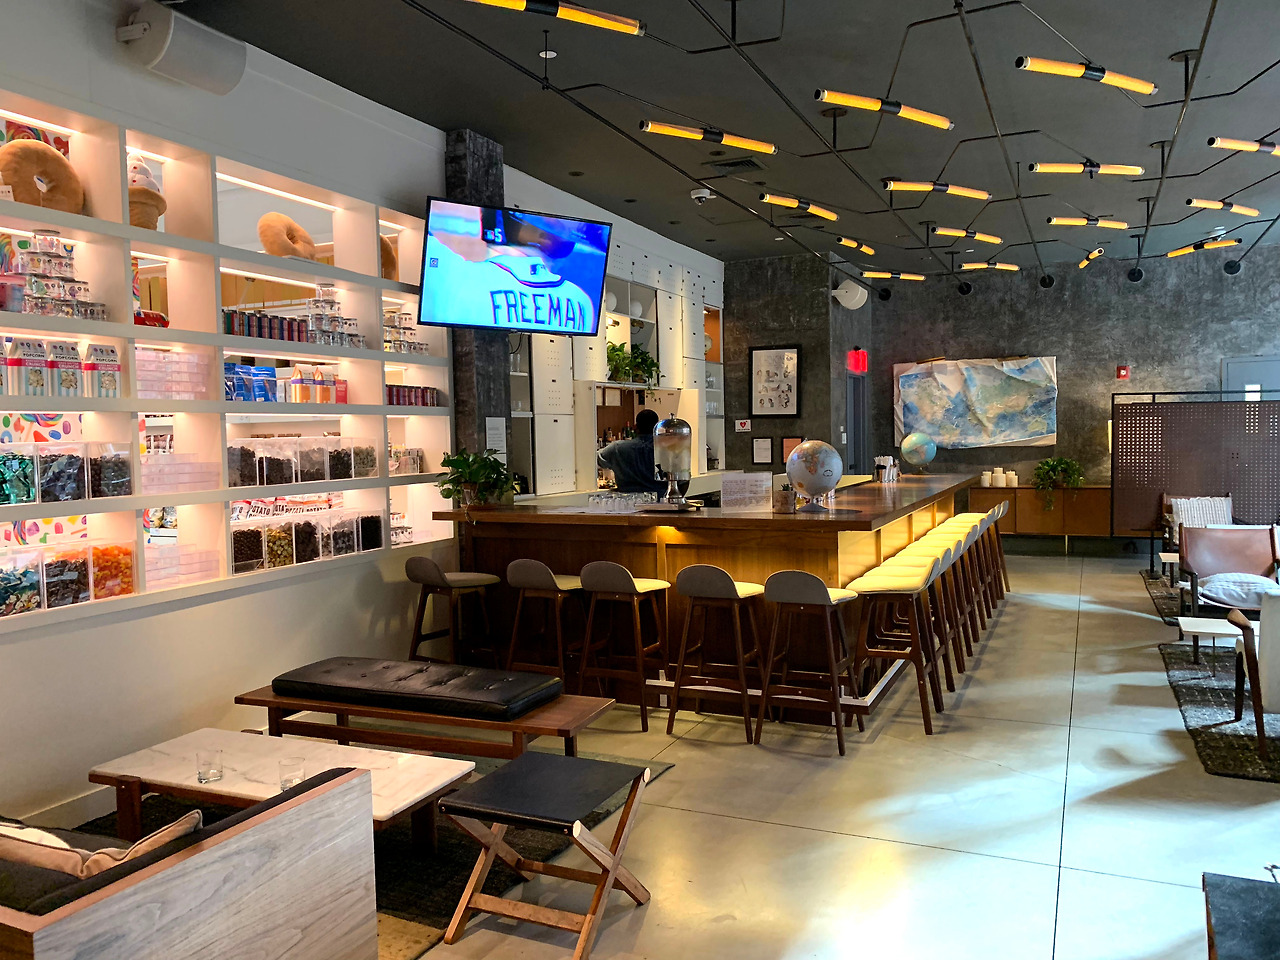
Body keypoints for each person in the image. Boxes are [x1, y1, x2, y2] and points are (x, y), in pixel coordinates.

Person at [597, 408, 666, 493]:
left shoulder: (617, 448)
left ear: (635, 427)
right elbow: (679, 480)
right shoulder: (667, 449)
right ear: (658, 427)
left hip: (628, 499)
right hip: (661, 498)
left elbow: (595, 460)